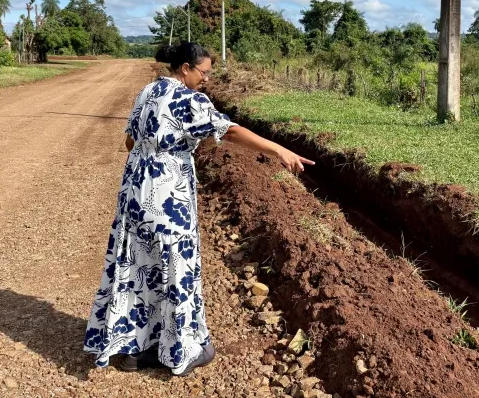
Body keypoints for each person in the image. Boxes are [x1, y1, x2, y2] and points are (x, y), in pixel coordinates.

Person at [84, 42, 314, 376]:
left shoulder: (149, 91)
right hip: (167, 194)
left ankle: (135, 348)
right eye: (204, 72)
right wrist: (278, 149)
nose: (206, 79)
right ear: (186, 68)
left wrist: (154, 149)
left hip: (135, 188)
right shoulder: (189, 99)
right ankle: (182, 351)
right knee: (176, 266)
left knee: (139, 265)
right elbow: (229, 131)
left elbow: (129, 142)